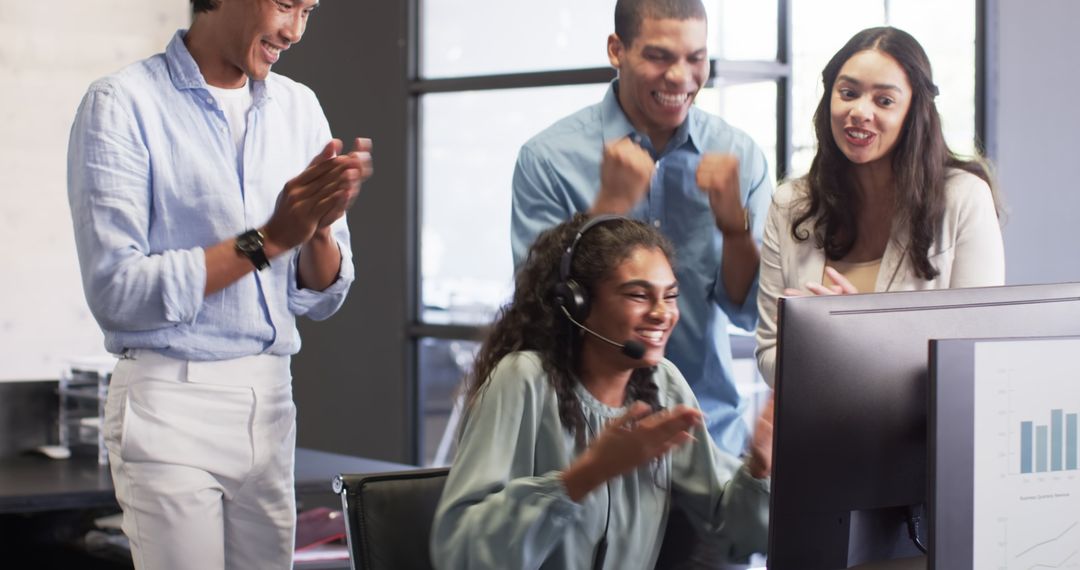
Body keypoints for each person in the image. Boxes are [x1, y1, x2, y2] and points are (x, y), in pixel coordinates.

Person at [66, 1, 372, 568]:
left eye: (309, 10)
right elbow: (118, 291)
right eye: (285, 5)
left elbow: (324, 295)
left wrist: (321, 228)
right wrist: (272, 238)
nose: (295, 31)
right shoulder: (122, 104)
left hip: (272, 401)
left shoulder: (299, 107)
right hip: (170, 403)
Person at [432, 214, 772, 570]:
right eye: (639, 295)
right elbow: (460, 552)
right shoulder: (522, 379)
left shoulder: (663, 384)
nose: (662, 313)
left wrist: (759, 468)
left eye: (670, 296)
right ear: (578, 303)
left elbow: (736, 533)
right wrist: (586, 475)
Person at [512, 0, 774, 457]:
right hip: (586, 443)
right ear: (617, 50)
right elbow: (539, 314)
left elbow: (751, 314)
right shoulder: (548, 158)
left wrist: (735, 231)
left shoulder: (740, 155)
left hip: (708, 439)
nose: (680, 77)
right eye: (659, 57)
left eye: (695, 58)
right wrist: (609, 207)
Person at [755, 26, 1005, 386]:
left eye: (884, 101)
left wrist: (864, 334)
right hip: (821, 433)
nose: (859, 111)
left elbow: (977, 357)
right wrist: (822, 343)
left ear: (913, 112)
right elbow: (768, 355)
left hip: (923, 438)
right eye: (848, 93)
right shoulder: (790, 204)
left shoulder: (964, 198)